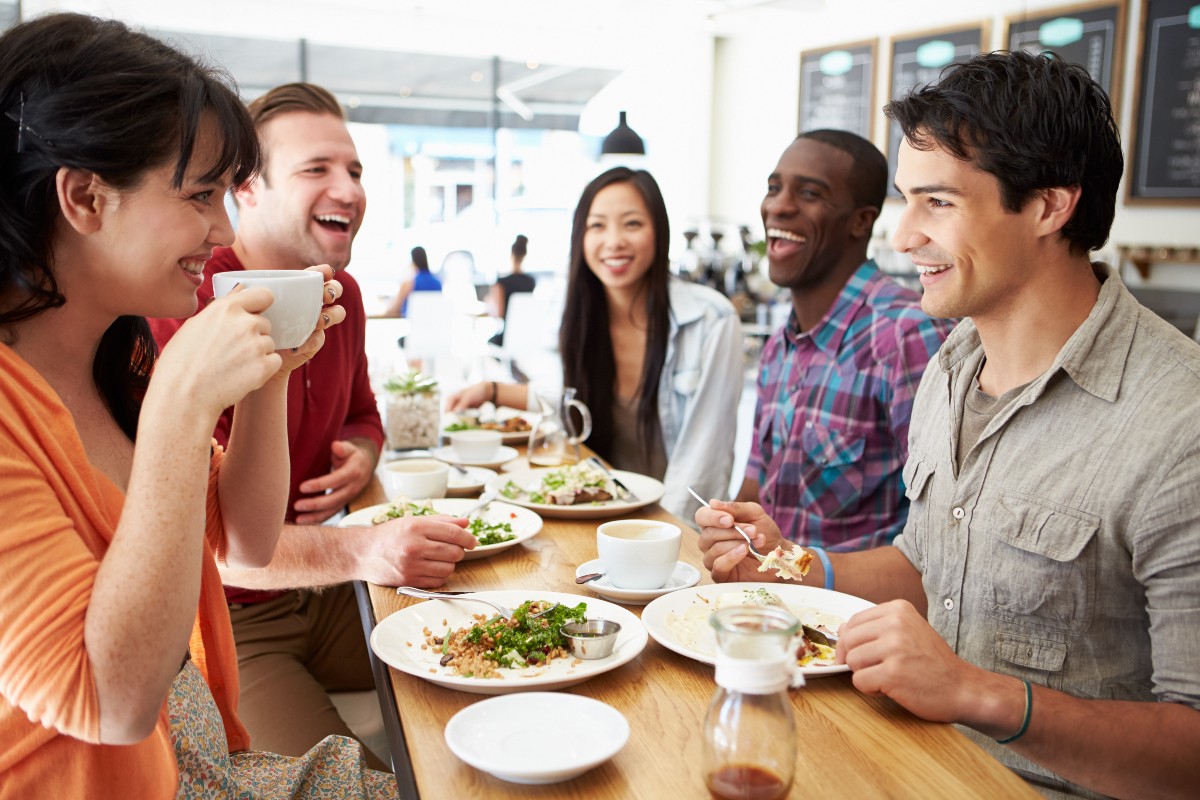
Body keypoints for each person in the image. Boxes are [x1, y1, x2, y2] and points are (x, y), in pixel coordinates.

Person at [697, 51, 1200, 799]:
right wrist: (794, 565)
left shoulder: (1177, 425)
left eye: (937, 203)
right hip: (911, 761)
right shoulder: (952, 367)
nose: (901, 239)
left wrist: (978, 693)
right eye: (905, 201)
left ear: (1048, 206)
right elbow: (933, 567)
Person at [0, 13, 396, 798]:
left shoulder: (122, 358)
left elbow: (244, 541)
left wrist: (272, 374)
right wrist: (181, 408)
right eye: (201, 194)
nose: (222, 225)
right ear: (84, 197)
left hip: (193, 757)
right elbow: (108, 703)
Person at [150, 83, 476, 768]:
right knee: (356, 782)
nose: (349, 189)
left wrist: (359, 452)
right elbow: (215, 541)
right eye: (316, 169)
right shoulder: (187, 301)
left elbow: (364, 414)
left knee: (487, 656)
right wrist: (362, 549)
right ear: (247, 190)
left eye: (354, 170)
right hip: (233, 618)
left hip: (324, 590)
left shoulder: (341, 293)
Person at [448, 167, 744, 520]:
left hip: (671, 530)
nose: (614, 240)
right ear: (580, 237)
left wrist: (661, 538)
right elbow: (571, 401)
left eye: (632, 223)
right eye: (598, 225)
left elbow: (702, 462)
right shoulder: (580, 317)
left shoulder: (711, 320)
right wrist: (491, 391)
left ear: (659, 232)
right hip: (603, 508)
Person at [738, 130, 952, 550]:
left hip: (857, 613)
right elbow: (755, 490)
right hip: (771, 608)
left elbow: (943, 541)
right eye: (774, 188)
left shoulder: (908, 335)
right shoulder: (779, 345)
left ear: (860, 221)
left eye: (810, 193)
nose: (779, 206)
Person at [487, 233, 535, 345]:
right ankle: (513, 362)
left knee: (490, 343)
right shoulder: (531, 282)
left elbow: (498, 313)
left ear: (511, 254)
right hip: (526, 337)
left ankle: (510, 362)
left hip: (507, 338)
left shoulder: (501, 283)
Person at [383, 245, 442, 318]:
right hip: (433, 324)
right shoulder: (438, 283)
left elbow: (395, 309)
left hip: (412, 324)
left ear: (413, 261)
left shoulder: (409, 283)